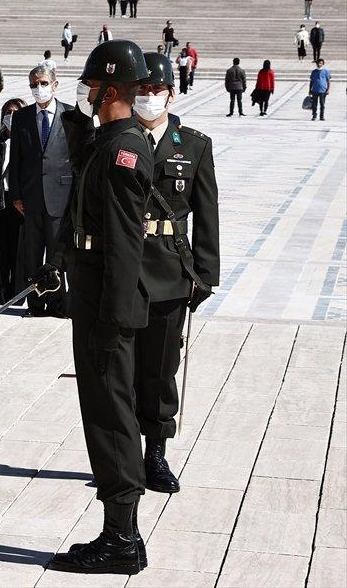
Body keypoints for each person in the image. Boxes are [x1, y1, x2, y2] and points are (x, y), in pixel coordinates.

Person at [40, 40, 154, 576]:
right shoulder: (108, 142)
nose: (85, 94)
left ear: (111, 90)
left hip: (109, 304)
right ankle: (120, 532)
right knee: (103, 412)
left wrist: (111, 318)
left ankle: (122, 538)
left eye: (91, 87)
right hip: (94, 293)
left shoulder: (123, 149)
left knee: (111, 417)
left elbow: (128, 245)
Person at [133, 52, 220, 495]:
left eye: (157, 90)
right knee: (121, 368)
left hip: (169, 269)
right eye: (143, 90)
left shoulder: (194, 145)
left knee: (161, 367)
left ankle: (156, 454)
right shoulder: (116, 139)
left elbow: (207, 213)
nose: (149, 98)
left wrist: (205, 275)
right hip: (126, 270)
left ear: (171, 93)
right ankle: (124, 456)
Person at [8, 65, 73, 317]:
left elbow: (76, 159)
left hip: (60, 196)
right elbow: (16, 159)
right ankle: (35, 304)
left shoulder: (70, 115)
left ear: (55, 85)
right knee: (33, 254)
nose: (39, 88)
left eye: (43, 83)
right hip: (31, 198)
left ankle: (58, 304)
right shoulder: (22, 117)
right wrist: (15, 194)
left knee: (57, 254)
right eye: (34, 84)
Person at [0, 98, 25, 305]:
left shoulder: (28, 140)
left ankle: (18, 298)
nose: (11, 116)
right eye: (8, 112)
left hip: (20, 204)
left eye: (16, 112)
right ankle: (1, 296)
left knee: (19, 253)